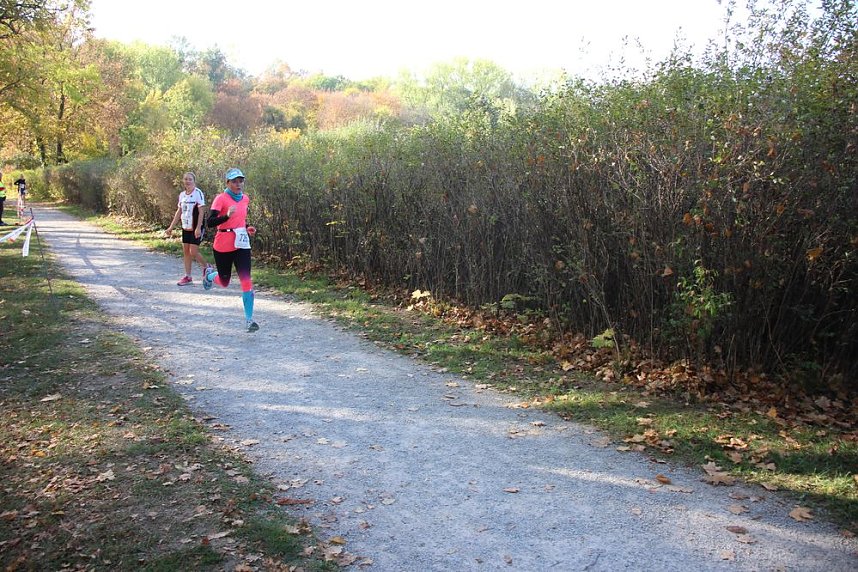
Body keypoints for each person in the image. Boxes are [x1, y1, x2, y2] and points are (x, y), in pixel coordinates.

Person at [203, 168, 259, 332]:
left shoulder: (245, 199)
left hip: (241, 244)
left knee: (246, 280)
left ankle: (249, 320)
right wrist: (226, 216)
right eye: (234, 181)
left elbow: (240, 220)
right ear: (227, 183)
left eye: (240, 180)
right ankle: (210, 275)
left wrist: (247, 227)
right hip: (223, 245)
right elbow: (210, 222)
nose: (238, 184)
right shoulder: (221, 198)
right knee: (225, 281)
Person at [165, 172, 212, 286]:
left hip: (196, 226)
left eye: (190, 179)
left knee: (193, 251)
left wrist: (198, 228)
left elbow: (201, 211)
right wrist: (171, 227)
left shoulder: (198, 193)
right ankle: (188, 276)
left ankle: (207, 267)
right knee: (186, 252)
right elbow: (179, 211)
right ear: (183, 181)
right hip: (185, 226)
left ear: (194, 181)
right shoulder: (182, 195)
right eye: (186, 179)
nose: (188, 181)